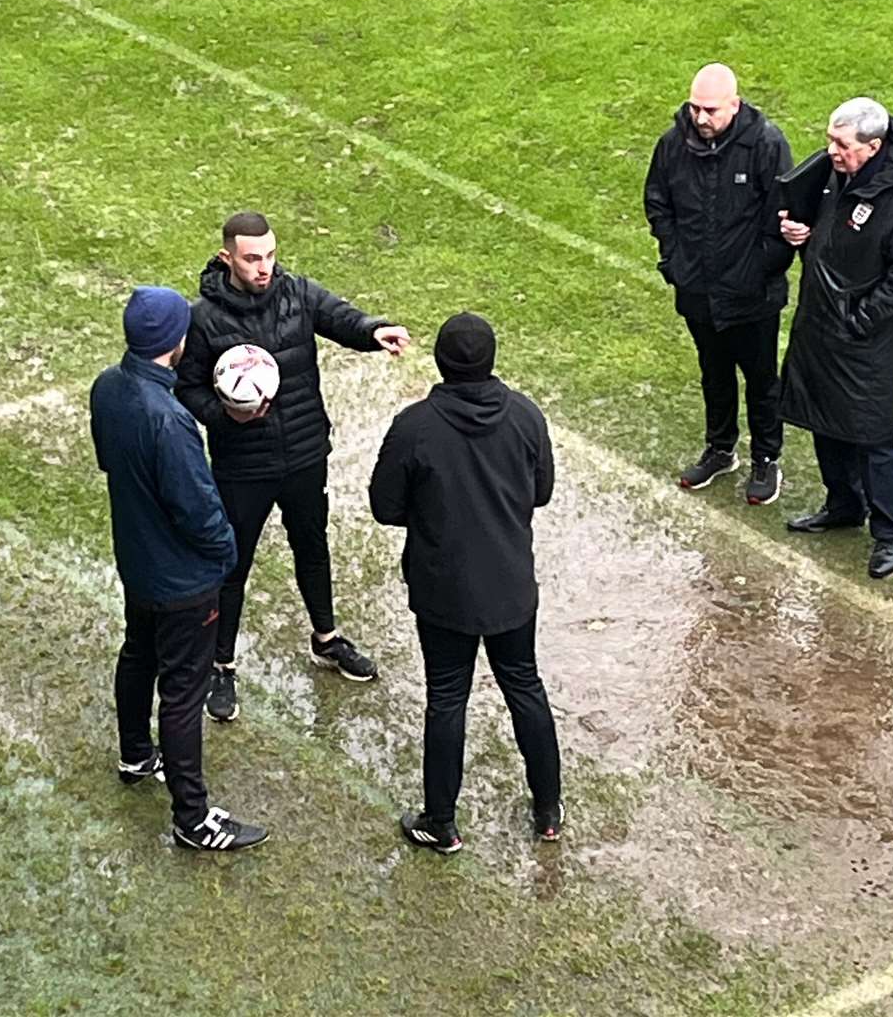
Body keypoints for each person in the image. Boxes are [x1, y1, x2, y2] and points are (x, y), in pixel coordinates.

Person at [175, 211, 410, 722]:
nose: (264, 268)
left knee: (313, 547)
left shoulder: (296, 293)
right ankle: (222, 663)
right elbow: (187, 387)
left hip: (304, 454)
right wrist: (228, 416)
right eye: (252, 258)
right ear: (227, 259)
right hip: (243, 465)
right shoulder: (203, 319)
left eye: (270, 256)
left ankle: (325, 639)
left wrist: (375, 332)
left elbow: (341, 318)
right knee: (233, 565)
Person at [369, 312, 563, 853]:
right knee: (524, 686)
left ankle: (441, 821)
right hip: (510, 585)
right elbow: (540, 492)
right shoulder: (526, 416)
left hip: (443, 591)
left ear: (441, 363)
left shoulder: (415, 426)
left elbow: (385, 506)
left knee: (447, 698)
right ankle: (548, 809)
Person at [89, 285, 269, 852]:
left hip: (139, 565)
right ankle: (193, 819)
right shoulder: (170, 419)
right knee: (185, 694)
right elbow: (198, 508)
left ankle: (135, 754)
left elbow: (106, 461)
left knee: (137, 653)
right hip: (185, 583)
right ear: (175, 342)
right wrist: (224, 554)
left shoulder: (107, 388)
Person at [778, 98, 893, 580]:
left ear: (873, 147)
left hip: (866, 342)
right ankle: (843, 505)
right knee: (825, 420)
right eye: (830, 139)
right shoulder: (837, 173)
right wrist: (799, 233)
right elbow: (827, 230)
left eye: (841, 144)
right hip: (821, 327)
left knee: (874, 437)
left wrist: (859, 317)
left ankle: (890, 532)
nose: (830, 151)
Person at [644, 62, 796, 504]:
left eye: (710, 109)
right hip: (697, 289)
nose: (701, 118)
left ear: (735, 104)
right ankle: (720, 447)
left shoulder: (766, 144)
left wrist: (763, 266)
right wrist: (674, 257)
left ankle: (766, 458)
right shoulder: (674, 144)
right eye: (695, 109)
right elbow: (658, 201)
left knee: (761, 377)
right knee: (714, 372)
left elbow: (784, 211)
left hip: (753, 295)